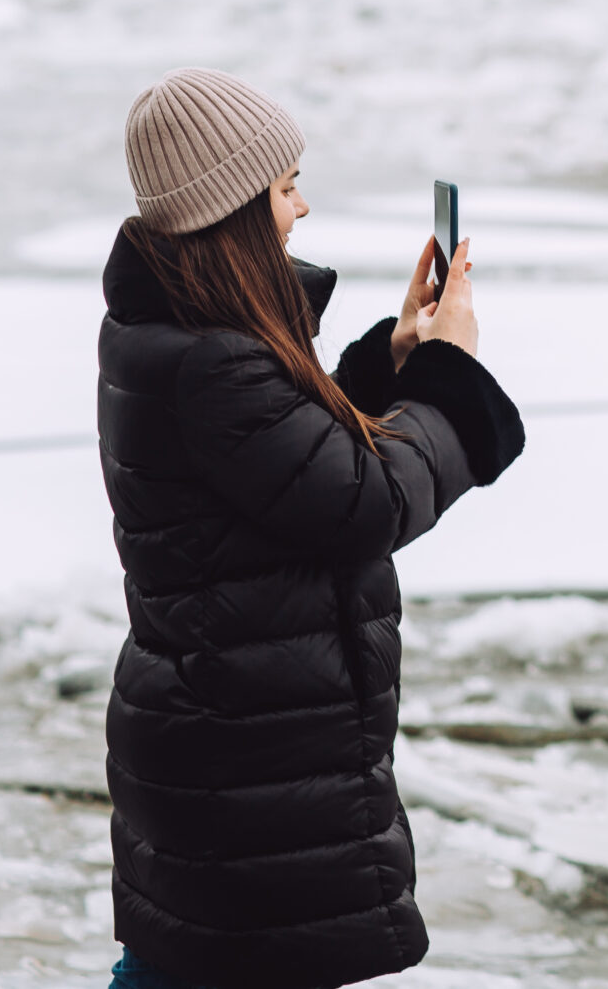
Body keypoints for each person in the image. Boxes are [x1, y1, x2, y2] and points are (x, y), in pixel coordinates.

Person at [96, 69, 525, 989]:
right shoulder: (216, 362)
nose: (302, 207)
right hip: (246, 754)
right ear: (234, 208)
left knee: (182, 965)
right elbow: (361, 500)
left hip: (230, 736)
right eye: (286, 186)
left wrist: (392, 360)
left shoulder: (183, 332)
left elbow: (287, 468)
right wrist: (449, 377)